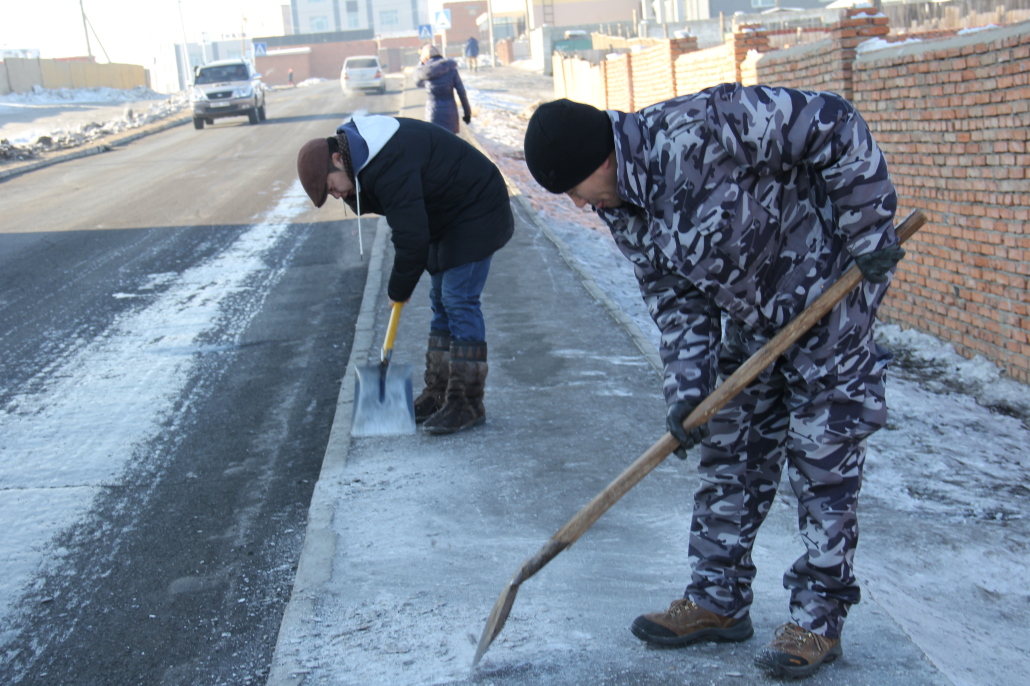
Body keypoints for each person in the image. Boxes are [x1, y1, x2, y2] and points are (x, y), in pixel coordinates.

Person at [523, 85, 905, 679]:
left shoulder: (705, 125)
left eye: (575, 187)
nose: (578, 203)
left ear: (602, 159)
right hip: (754, 325)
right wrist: (689, 394)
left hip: (831, 301)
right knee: (730, 450)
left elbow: (834, 123)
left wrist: (869, 230)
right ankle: (717, 600)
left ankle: (817, 621)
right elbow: (677, 303)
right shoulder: (622, 209)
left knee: (822, 467)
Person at [297, 115, 513, 434]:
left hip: (476, 207)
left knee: (458, 299)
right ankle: (439, 392)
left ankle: (467, 402)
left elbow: (411, 236)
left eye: (332, 188)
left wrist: (399, 288)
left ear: (338, 159)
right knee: (440, 300)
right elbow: (407, 220)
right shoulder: (365, 159)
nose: (337, 196)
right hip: (445, 215)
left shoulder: (386, 161)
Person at [414, 44, 472, 134]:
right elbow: (461, 92)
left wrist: (421, 63)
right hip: (450, 112)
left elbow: (417, 82)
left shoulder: (425, 71)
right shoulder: (451, 68)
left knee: (436, 139)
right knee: (451, 140)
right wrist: (467, 113)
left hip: (433, 111)